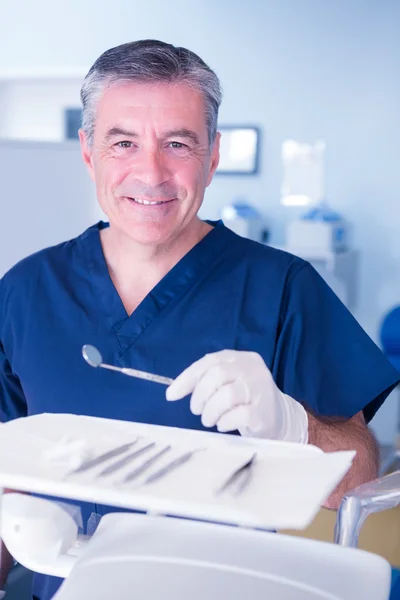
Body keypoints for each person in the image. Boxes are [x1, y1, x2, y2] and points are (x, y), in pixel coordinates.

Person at [0, 39, 398, 600]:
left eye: (178, 143)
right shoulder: (24, 291)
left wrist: (293, 426)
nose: (151, 173)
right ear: (89, 152)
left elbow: (359, 478)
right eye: (123, 143)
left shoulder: (281, 287)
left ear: (213, 156)